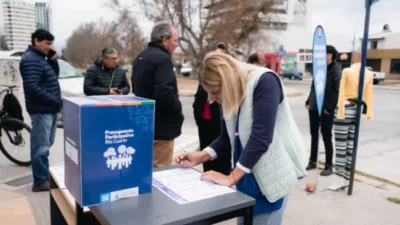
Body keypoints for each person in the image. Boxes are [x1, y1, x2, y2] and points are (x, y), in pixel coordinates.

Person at [176, 53, 308, 225]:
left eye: (215, 92)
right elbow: (227, 136)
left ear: (228, 81)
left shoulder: (265, 81)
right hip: (246, 177)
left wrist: (230, 178)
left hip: (269, 180)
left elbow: (261, 138)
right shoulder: (233, 90)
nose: (212, 99)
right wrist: (201, 155)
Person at [131, 22, 184, 168]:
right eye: (175, 40)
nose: (177, 44)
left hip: (144, 124)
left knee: (143, 169)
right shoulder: (163, 59)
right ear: (165, 40)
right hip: (161, 129)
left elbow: (135, 88)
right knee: (160, 172)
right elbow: (164, 91)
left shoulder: (141, 57)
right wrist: (177, 107)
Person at [20, 29, 61, 192]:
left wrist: (52, 60)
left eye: (51, 44)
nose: (50, 47)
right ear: (36, 41)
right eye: (47, 43)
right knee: (40, 147)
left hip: (48, 109)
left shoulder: (41, 58)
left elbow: (53, 76)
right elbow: (32, 88)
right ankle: (40, 182)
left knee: (46, 144)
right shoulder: (30, 59)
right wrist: (55, 101)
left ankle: (42, 176)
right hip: (41, 110)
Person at [329, 52, 373, 190]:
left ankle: (338, 180)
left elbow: (341, 92)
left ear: (354, 59)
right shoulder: (369, 73)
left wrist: (340, 110)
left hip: (345, 107)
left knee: (341, 147)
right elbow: (368, 95)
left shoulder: (347, 71)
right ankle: (346, 178)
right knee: (350, 146)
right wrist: (368, 113)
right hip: (357, 110)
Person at [192, 42, 237, 175]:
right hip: (206, 126)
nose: (212, 97)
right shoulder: (206, 80)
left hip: (216, 125)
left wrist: (232, 178)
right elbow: (198, 101)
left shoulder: (229, 89)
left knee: (222, 162)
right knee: (209, 158)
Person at [305, 45, 342, 176]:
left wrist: (330, 108)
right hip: (314, 107)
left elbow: (338, 91)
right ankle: (312, 161)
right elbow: (313, 87)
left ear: (330, 55)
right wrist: (309, 101)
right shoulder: (319, 68)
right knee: (314, 135)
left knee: (326, 136)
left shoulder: (336, 70)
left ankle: (328, 166)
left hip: (326, 109)